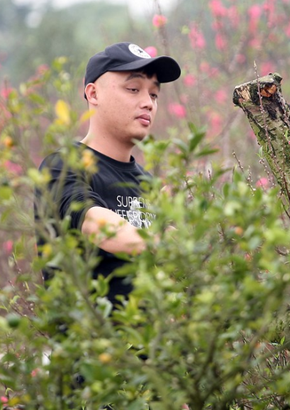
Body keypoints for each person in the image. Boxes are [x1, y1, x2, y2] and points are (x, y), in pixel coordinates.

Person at [34, 42, 181, 305]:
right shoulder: (64, 165)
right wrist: (167, 242)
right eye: (133, 89)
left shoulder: (148, 183)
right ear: (93, 94)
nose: (147, 103)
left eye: (154, 95)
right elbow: (97, 226)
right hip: (91, 342)